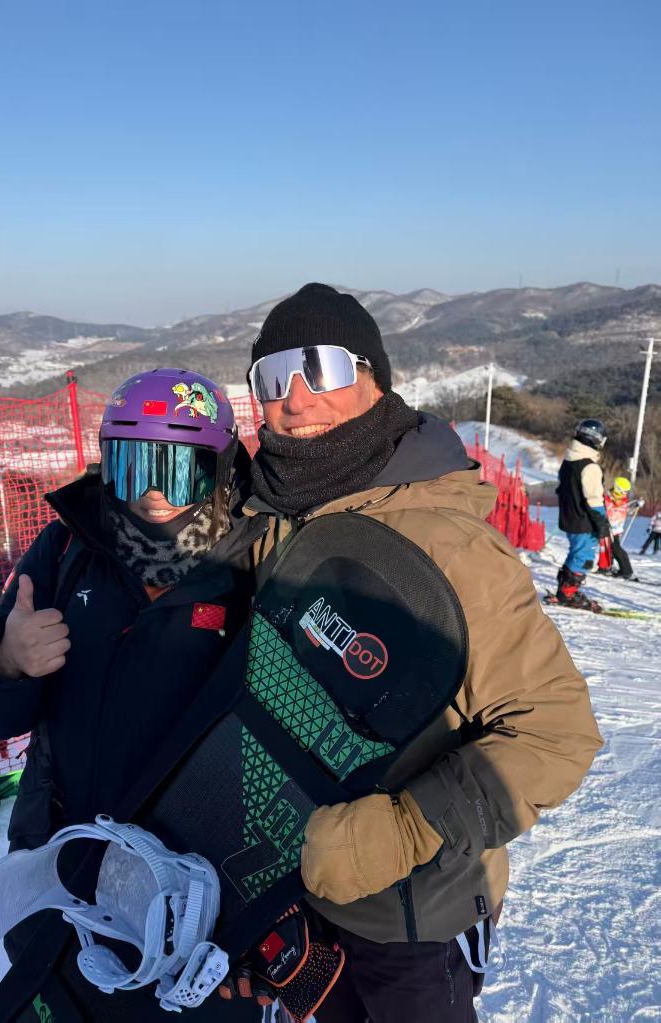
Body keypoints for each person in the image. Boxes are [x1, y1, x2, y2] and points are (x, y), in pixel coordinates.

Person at [226, 283, 602, 1023]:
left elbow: (555, 733)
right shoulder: (265, 515)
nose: (296, 399)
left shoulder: (447, 543)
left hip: (409, 922)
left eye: (322, 369)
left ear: (376, 380)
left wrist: (400, 828)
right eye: (273, 377)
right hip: (279, 891)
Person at [0, 369, 265, 1021]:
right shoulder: (68, 547)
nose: (152, 492)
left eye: (177, 470)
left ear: (219, 469)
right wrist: (6, 662)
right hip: (62, 876)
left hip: (191, 900)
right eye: (132, 466)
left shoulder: (251, 563)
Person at [554, 418, 610, 610]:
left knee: (575, 552)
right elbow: (594, 498)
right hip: (584, 520)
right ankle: (568, 593)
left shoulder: (569, 461)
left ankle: (564, 589)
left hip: (570, 515)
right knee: (583, 556)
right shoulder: (589, 466)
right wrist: (601, 521)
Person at [600, 476, 642, 579]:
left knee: (614, 549)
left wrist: (636, 505)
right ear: (618, 489)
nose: (625, 493)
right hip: (607, 528)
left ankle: (623, 570)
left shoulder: (624, 500)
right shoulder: (607, 498)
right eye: (624, 491)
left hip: (617, 529)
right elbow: (603, 510)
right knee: (610, 548)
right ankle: (608, 567)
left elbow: (627, 511)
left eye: (626, 491)